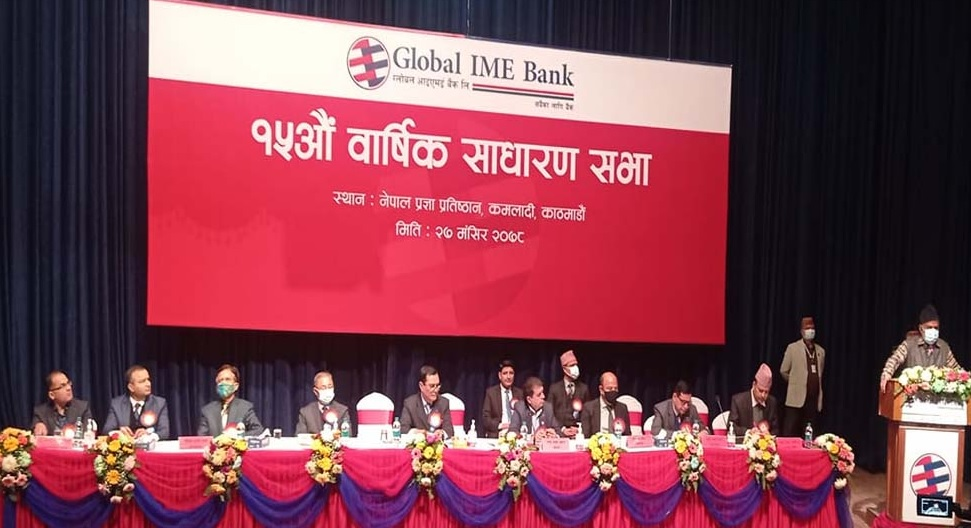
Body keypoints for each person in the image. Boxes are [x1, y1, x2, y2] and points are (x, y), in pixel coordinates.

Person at [880, 304, 962, 392]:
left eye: (936, 328)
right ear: (921, 328)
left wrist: (964, 379)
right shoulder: (909, 344)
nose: (933, 331)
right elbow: (894, 360)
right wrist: (887, 374)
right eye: (929, 327)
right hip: (911, 394)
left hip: (935, 396)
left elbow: (956, 369)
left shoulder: (944, 347)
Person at [780, 317, 825, 437]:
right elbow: (783, 371)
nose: (810, 331)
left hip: (812, 400)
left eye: (812, 328)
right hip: (796, 399)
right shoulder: (793, 348)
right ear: (802, 331)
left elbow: (820, 374)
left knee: (809, 432)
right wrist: (795, 383)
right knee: (790, 430)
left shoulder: (820, 351)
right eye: (807, 328)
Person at [103, 365, 171, 440]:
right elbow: (106, 430)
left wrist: (148, 433)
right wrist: (118, 432)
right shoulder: (117, 404)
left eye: (148, 379)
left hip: (149, 446)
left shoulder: (160, 403)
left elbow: (164, 432)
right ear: (131, 387)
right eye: (142, 381)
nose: (148, 384)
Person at [198, 364, 264, 436]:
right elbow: (201, 437)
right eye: (220, 380)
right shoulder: (207, 410)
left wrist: (238, 436)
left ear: (236, 386)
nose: (223, 383)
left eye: (227, 379)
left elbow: (258, 430)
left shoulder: (245, 407)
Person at [31, 370, 92, 436]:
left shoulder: (82, 408)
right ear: (52, 395)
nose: (69, 388)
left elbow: (88, 432)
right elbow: (36, 427)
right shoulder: (40, 413)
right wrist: (38, 426)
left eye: (68, 383)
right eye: (62, 386)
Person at [400, 365, 454, 437]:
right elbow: (403, 430)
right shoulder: (410, 403)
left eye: (438, 385)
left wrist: (442, 433)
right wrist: (417, 433)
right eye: (432, 386)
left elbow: (449, 431)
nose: (436, 390)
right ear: (421, 386)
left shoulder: (444, 403)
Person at [547, 350, 588, 438]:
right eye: (572, 365)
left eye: (576, 365)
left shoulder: (584, 389)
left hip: (578, 434)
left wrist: (579, 428)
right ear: (564, 368)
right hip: (559, 434)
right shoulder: (554, 389)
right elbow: (549, 413)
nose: (575, 368)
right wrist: (562, 429)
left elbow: (587, 414)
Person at [295, 370, 352, 435]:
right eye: (323, 388)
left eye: (330, 387)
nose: (327, 390)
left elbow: (347, 436)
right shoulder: (306, 413)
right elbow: (300, 437)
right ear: (315, 391)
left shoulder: (343, 411)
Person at [729, 363, 780, 435]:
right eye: (760, 391)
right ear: (754, 385)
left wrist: (769, 434)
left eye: (766, 392)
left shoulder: (772, 402)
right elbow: (731, 426)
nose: (763, 395)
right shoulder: (738, 401)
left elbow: (776, 430)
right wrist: (748, 432)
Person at [481, 360, 524, 438]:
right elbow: (486, 419)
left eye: (511, 373)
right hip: (498, 433)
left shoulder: (520, 393)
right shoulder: (491, 393)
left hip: (516, 433)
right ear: (500, 376)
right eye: (505, 373)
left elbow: (525, 416)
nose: (508, 377)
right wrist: (501, 425)